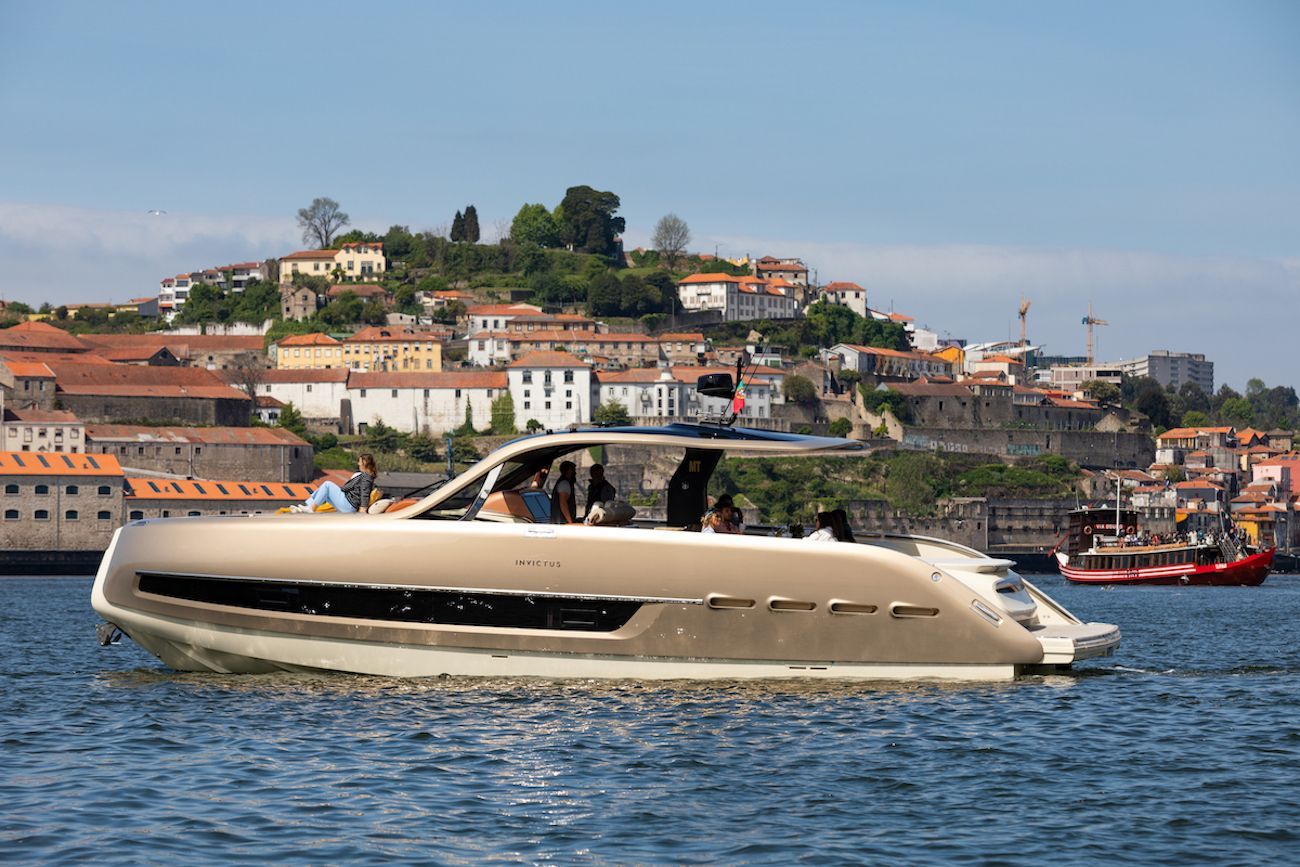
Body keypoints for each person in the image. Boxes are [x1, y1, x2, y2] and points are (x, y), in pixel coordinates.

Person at [293, 454, 378, 514]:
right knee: (324, 490)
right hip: (347, 504)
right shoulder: (363, 475)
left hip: (348, 505)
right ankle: (307, 507)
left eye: (359, 461)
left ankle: (311, 508)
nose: (358, 464)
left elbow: (365, 493)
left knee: (327, 484)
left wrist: (363, 508)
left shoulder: (366, 477)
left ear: (364, 463)